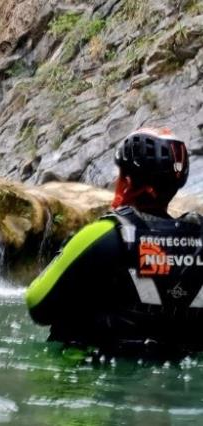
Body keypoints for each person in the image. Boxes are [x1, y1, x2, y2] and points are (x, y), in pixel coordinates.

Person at [25, 127, 203, 356]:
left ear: (127, 181)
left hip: (97, 374)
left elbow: (37, 304)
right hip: (180, 378)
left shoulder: (104, 233)